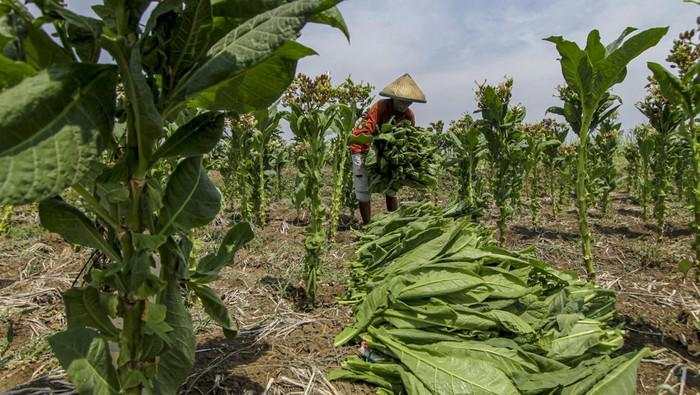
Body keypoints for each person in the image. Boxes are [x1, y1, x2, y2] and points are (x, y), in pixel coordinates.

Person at [349, 73, 427, 224]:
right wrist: (375, 146)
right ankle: (367, 224)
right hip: (362, 147)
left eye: (408, 102)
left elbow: (408, 138)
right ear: (393, 97)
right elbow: (366, 132)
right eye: (402, 101)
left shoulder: (408, 115)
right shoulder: (380, 106)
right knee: (362, 187)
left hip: (386, 153)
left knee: (392, 185)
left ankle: (394, 222)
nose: (404, 105)